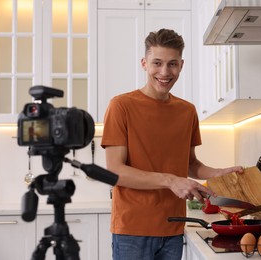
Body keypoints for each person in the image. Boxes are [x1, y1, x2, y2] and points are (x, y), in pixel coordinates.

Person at [101, 28, 243, 260]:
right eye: (157, 63)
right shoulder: (121, 106)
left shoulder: (187, 111)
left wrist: (219, 173)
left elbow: (190, 164)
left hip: (173, 227)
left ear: (181, 65)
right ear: (144, 63)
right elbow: (115, 171)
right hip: (132, 230)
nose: (165, 72)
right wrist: (170, 181)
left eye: (172, 64)